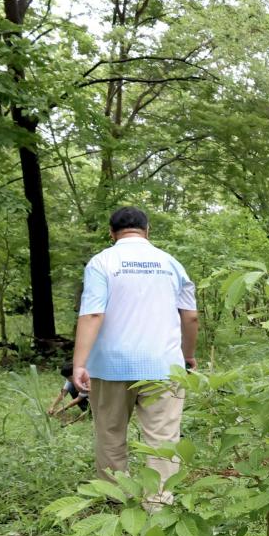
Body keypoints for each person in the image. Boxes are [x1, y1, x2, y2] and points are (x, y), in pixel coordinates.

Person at [71, 206, 198, 500]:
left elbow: (93, 314)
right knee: (163, 438)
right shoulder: (171, 263)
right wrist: (187, 354)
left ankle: (117, 498)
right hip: (163, 365)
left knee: (110, 433)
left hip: (109, 365)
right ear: (147, 230)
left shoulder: (101, 262)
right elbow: (190, 316)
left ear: (112, 233)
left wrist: (79, 363)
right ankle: (159, 502)